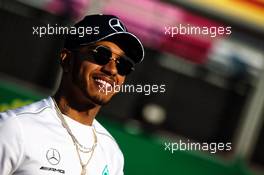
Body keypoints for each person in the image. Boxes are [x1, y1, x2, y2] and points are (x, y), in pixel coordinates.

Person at [0, 14, 144, 175]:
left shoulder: (112, 152)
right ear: (67, 59)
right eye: (101, 55)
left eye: (123, 65)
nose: (111, 70)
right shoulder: (15, 128)